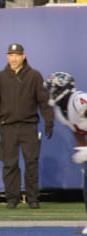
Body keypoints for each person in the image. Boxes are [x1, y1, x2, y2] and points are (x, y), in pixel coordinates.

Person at [0, 43, 54, 209]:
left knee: (31, 162)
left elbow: (43, 101)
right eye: (10, 55)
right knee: (10, 164)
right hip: (7, 127)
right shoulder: (0, 77)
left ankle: (32, 199)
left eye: (17, 55)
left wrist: (49, 120)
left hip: (29, 126)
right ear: (7, 57)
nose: (13, 58)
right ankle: (12, 198)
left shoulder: (34, 76)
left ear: (23, 56)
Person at [43, 72, 87, 234]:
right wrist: (82, 148)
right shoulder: (61, 112)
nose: (49, 92)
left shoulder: (78, 100)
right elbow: (77, 131)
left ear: (62, 89)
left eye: (52, 88)